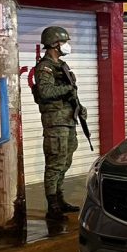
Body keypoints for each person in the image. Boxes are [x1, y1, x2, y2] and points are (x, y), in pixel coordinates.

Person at [33, 26, 87, 219]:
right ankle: (52, 205)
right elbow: (45, 92)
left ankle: (60, 198)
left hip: (68, 120)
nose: (66, 45)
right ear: (54, 44)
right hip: (55, 123)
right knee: (55, 163)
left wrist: (79, 107)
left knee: (65, 161)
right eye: (64, 42)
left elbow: (71, 91)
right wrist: (66, 90)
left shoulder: (62, 65)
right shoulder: (45, 67)